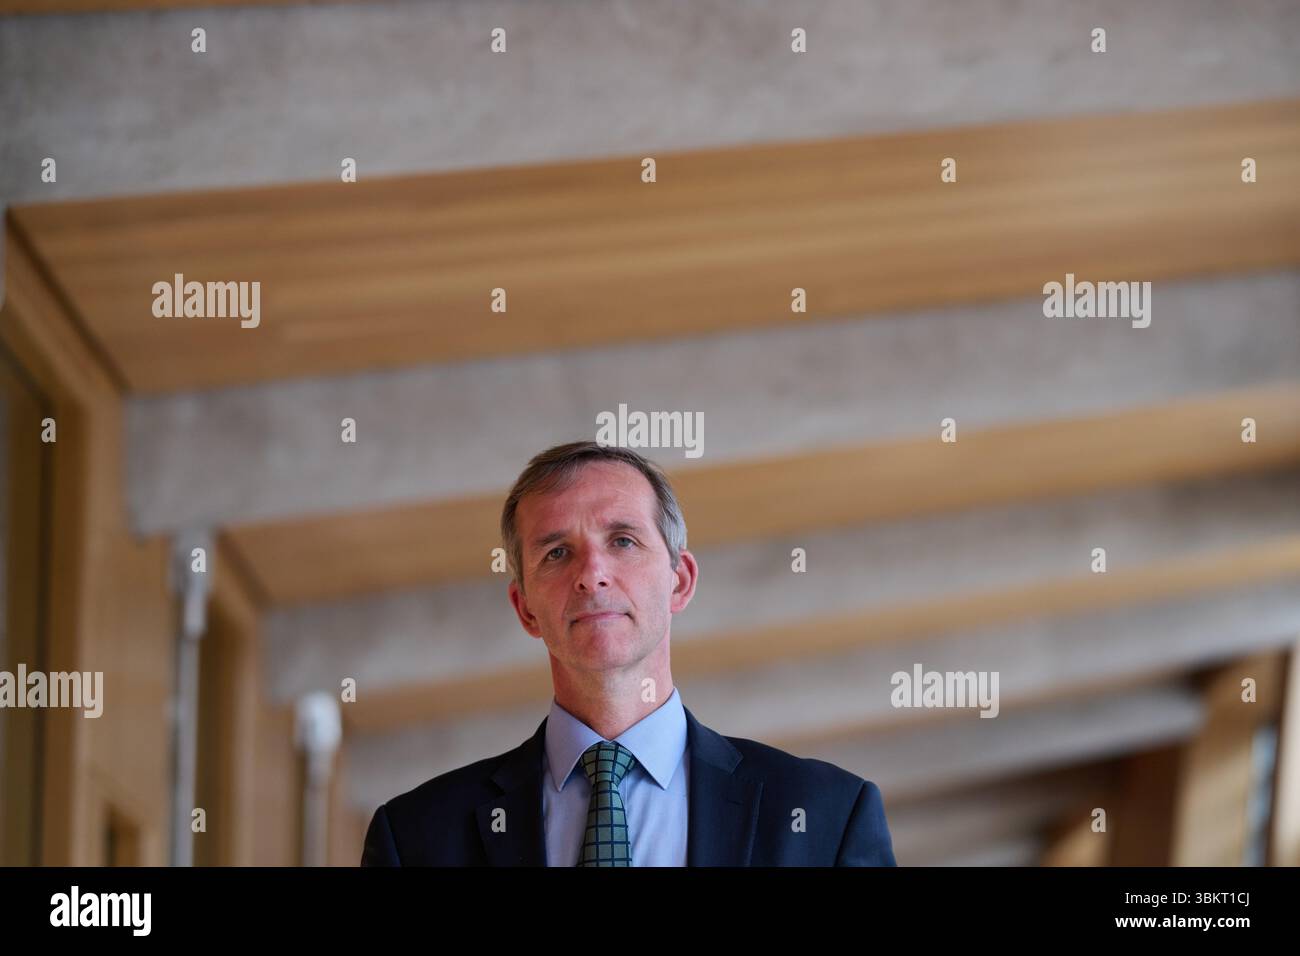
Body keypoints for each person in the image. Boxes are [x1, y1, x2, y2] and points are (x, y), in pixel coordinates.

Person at [361, 440, 896, 866]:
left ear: (680, 581)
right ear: (524, 607)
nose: (591, 574)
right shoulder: (417, 838)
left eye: (623, 541)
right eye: (556, 552)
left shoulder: (824, 817)